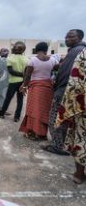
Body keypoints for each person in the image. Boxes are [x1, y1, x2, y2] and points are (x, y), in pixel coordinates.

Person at [42, 29, 86, 155]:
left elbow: (65, 73)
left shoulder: (76, 51)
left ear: (80, 38)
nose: (67, 39)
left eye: (71, 37)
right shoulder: (77, 50)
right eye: (66, 37)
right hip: (71, 90)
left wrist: (56, 87)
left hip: (65, 90)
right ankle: (65, 145)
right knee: (66, 119)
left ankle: (58, 146)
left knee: (55, 118)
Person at [55, 48, 86, 184]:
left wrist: (67, 107)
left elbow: (75, 82)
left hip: (82, 106)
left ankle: (79, 174)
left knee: (82, 138)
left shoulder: (84, 53)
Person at [19, 42, 58, 140]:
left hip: (35, 88)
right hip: (48, 88)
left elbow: (28, 76)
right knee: (44, 111)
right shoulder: (53, 60)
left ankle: (34, 133)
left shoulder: (32, 60)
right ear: (46, 50)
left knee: (33, 110)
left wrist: (24, 86)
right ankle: (42, 134)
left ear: (36, 50)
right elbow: (58, 70)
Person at [0, 41, 28, 122]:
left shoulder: (10, 58)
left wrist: (20, 75)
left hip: (13, 82)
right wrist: (23, 76)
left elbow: (11, 71)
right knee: (20, 100)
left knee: (8, 99)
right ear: (23, 50)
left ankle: (1, 114)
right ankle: (17, 117)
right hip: (22, 82)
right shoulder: (27, 59)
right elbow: (27, 72)